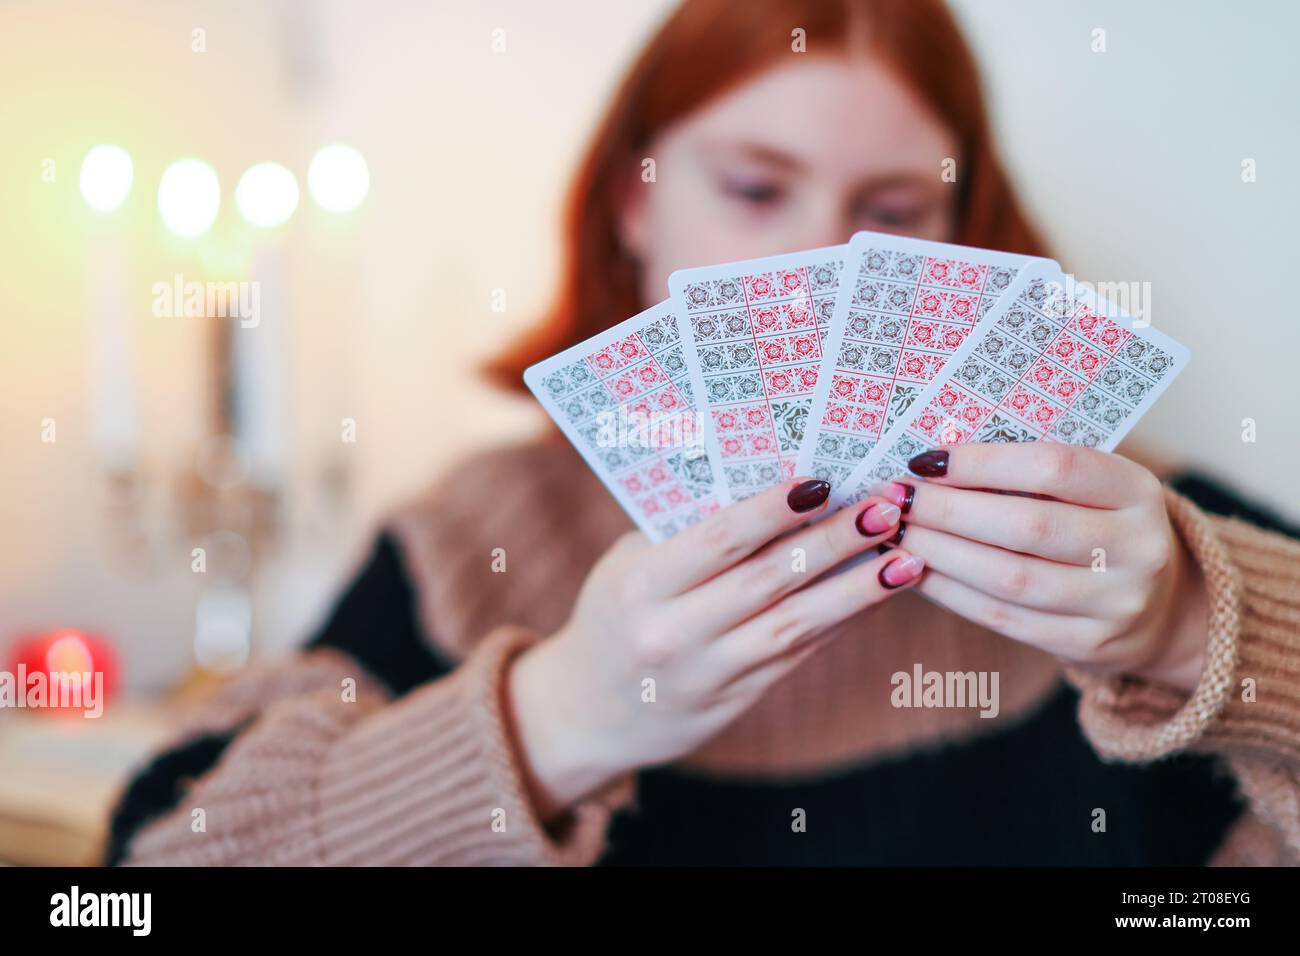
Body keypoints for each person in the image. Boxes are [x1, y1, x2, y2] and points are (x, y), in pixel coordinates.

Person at [107, 0, 1300, 866]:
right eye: (752, 187)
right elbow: (152, 866)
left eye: (891, 212)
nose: (823, 258)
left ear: (956, 231)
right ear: (635, 199)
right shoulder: (470, 547)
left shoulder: (1124, 533)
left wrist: (1197, 627)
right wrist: (556, 716)